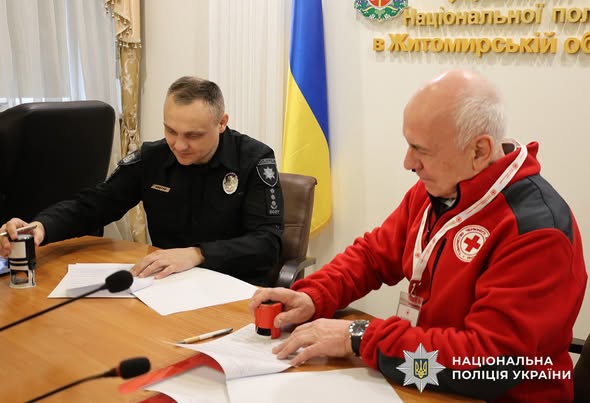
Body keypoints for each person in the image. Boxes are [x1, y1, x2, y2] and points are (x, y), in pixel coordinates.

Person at [249, 69, 587, 401]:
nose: (408, 162)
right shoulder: (443, 187)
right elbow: (372, 256)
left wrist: (360, 337)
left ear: (479, 151)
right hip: (423, 376)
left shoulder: (537, 231)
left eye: (420, 149)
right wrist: (315, 295)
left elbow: (487, 368)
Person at [0, 76, 284, 286]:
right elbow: (95, 204)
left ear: (221, 123)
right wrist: (41, 226)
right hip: (164, 283)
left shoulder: (254, 159)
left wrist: (198, 254)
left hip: (233, 285)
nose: (179, 145)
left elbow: (267, 244)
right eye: (170, 130)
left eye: (193, 135)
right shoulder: (154, 157)